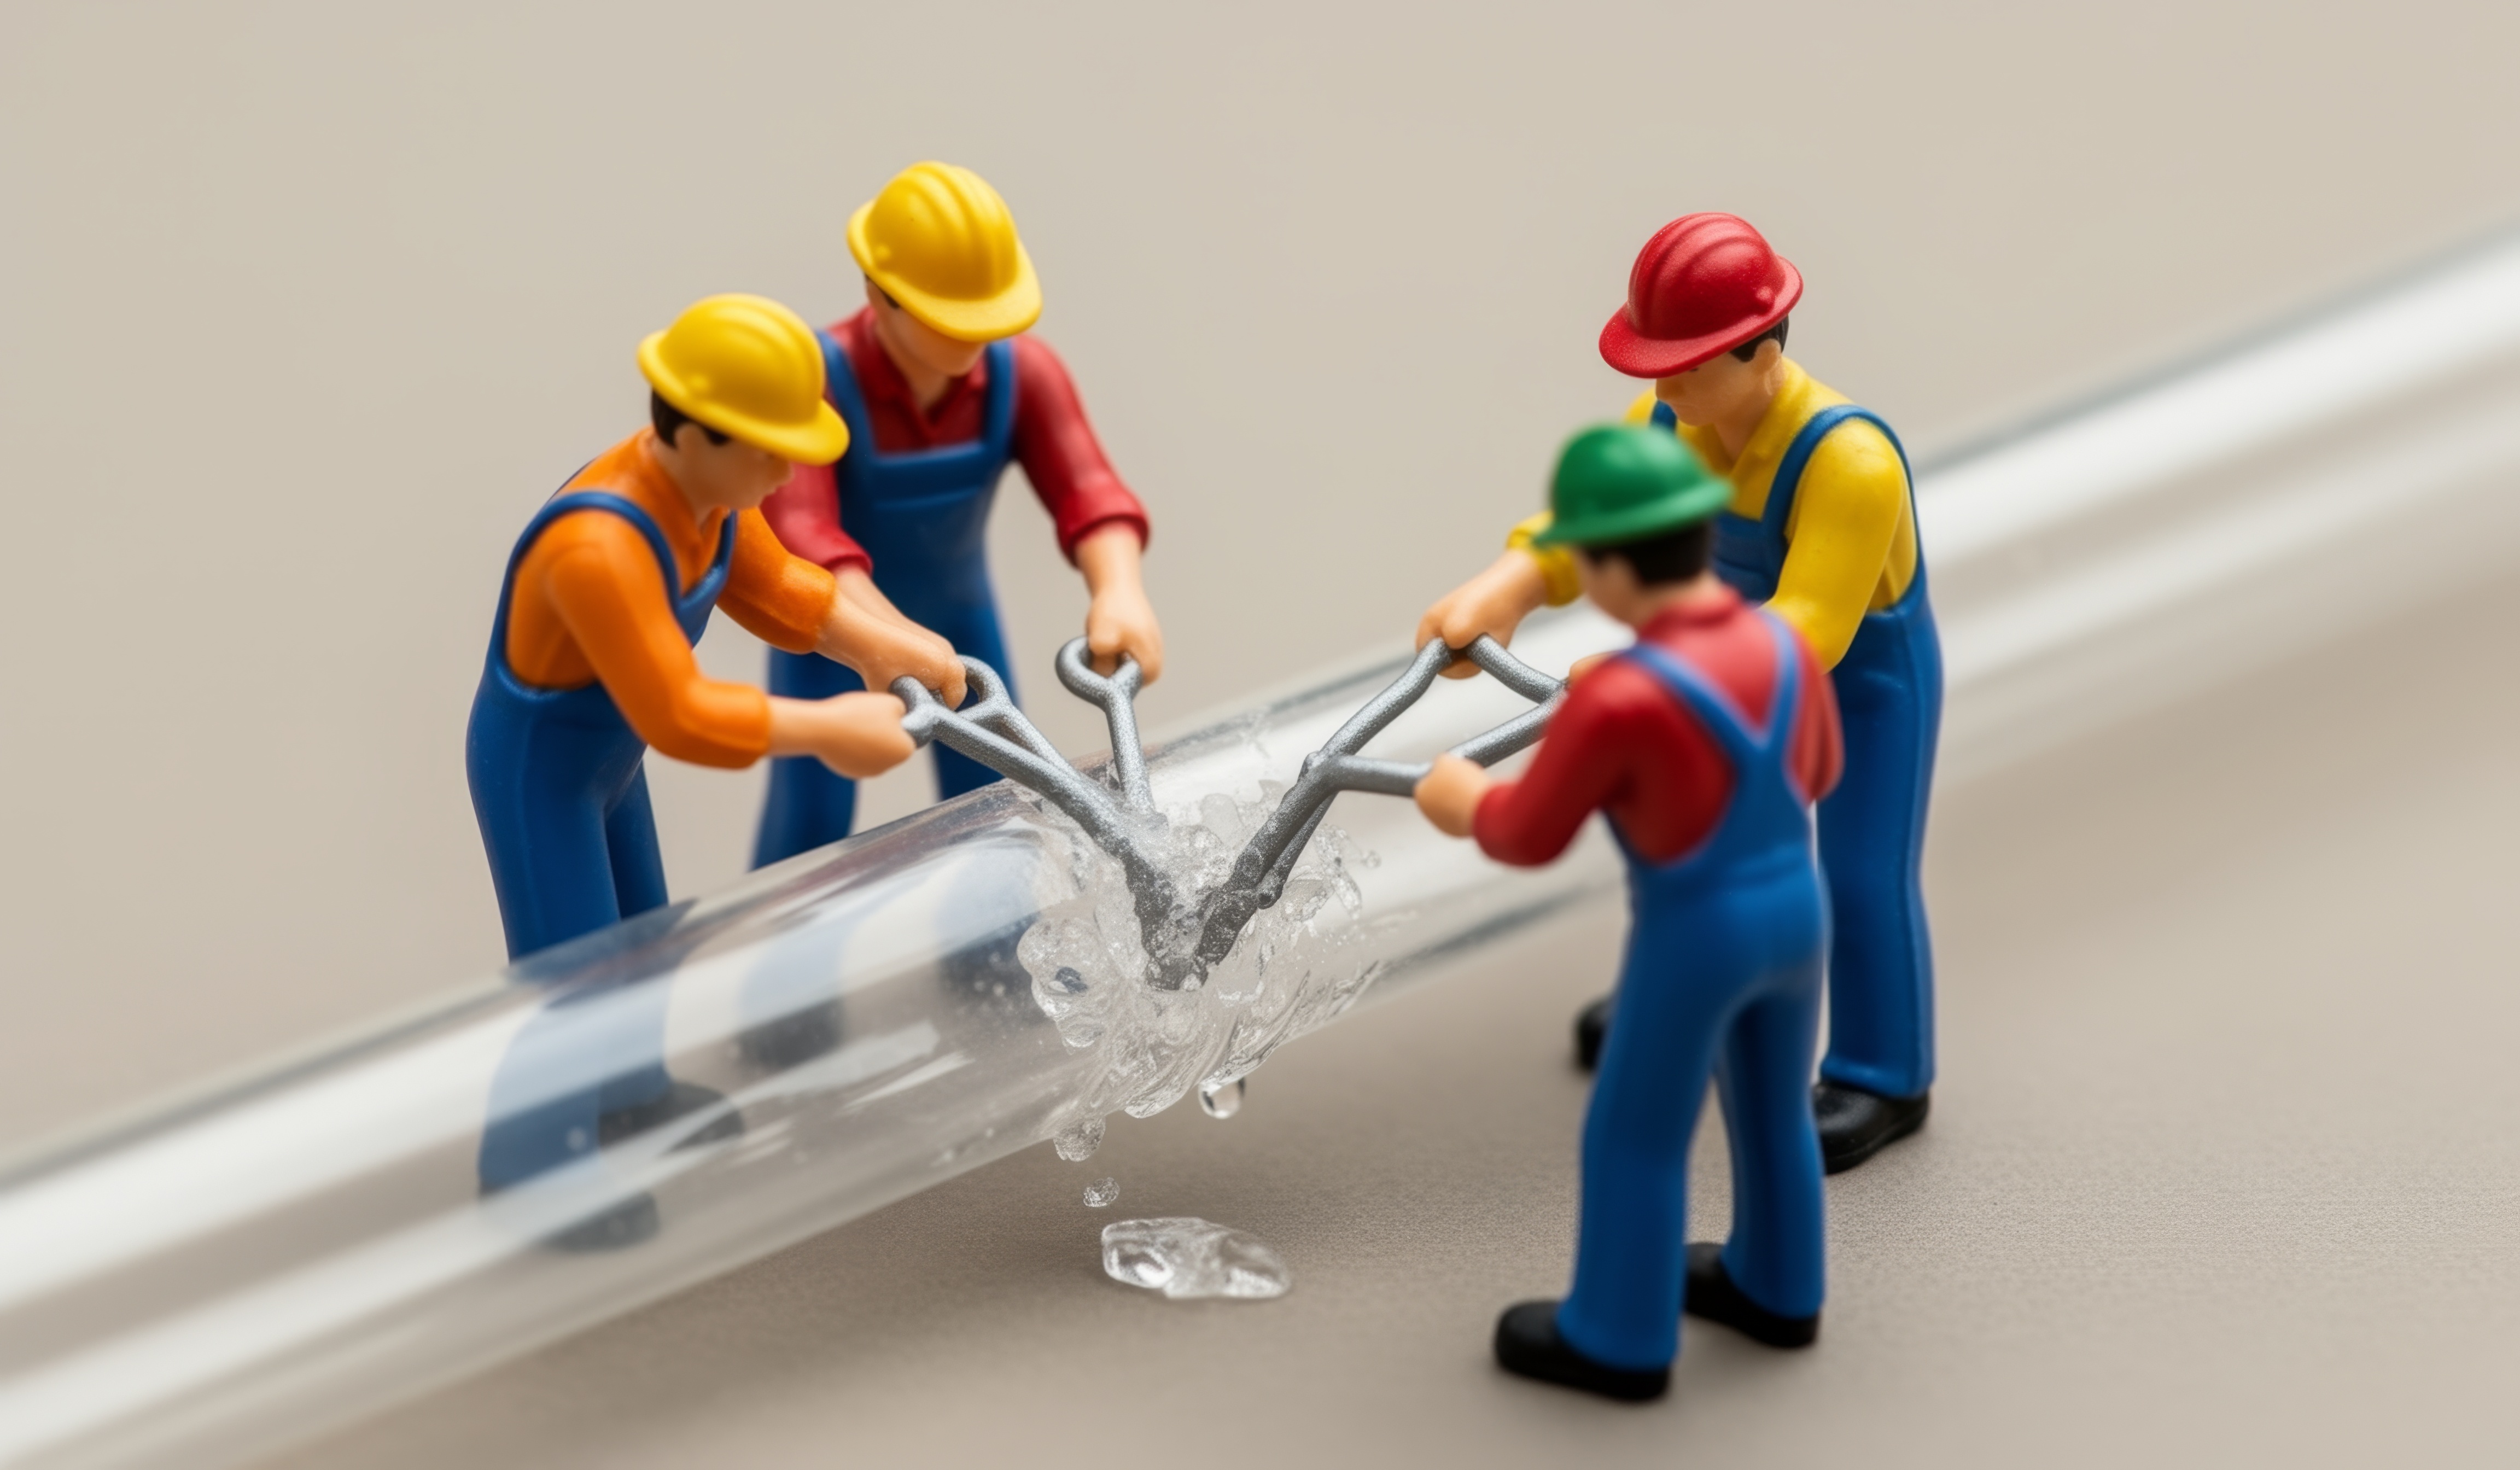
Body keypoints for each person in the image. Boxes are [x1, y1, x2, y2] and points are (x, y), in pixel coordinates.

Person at [1419, 213, 1939, 1172]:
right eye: (1655, 361)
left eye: (1689, 362)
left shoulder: (1847, 461)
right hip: (1718, 670)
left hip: (1858, 683)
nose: (1663, 384)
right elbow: (1589, 528)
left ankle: (1881, 1071)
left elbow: (1806, 632)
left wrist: (1649, 681)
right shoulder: (1670, 421)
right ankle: (1692, 987)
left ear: (1762, 352)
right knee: (1693, 842)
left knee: (1858, 872)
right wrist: (1509, 587)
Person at [466, 294, 958, 1242]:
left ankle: (629, 1095)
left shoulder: (711, 501)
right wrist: (825, 730)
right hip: (541, 770)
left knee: (647, 936)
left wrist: (882, 644)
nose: (788, 471)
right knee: (571, 971)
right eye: (769, 449)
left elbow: (774, 589)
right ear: (694, 432)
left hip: (608, 759)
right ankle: (536, 1164)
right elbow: (681, 713)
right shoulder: (598, 547)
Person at [1415, 424, 1841, 1400]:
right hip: (1797, 908)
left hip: (1697, 932)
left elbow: (1527, 832)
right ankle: (1779, 1285)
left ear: (1607, 564)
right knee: (1773, 1105)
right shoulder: (1781, 642)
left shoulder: (1616, 698)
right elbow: (1818, 768)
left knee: (1636, 1131)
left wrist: (1457, 798)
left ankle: (1618, 1333)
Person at [752, 161, 1162, 864]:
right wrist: (876, 639)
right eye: (954, 319)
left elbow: (1090, 491)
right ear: (880, 296)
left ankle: (1006, 958)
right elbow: (803, 537)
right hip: (833, 633)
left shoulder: (1022, 374)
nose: (977, 338)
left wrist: (1119, 588)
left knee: (998, 808)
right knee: (810, 822)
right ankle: (777, 973)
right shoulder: (813, 382)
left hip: (966, 628)